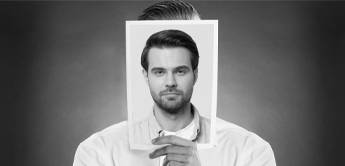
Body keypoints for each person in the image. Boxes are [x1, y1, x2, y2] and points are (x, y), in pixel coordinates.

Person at [73, 1, 276, 166]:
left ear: (196, 73)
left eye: (180, 71)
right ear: (145, 75)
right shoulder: (97, 152)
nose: (170, 82)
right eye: (160, 71)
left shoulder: (251, 151)